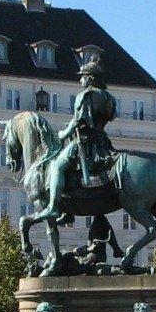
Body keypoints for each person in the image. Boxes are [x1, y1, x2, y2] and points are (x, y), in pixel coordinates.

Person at [45, 58, 119, 215]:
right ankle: (67, 212)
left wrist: (63, 134)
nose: (80, 80)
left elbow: (78, 120)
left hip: (84, 142)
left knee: (57, 166)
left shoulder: (85, 96)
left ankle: (52, 207)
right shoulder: (109, 97)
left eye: (82, 76)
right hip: (102, 141)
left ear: (90, 78)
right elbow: (111, 116)